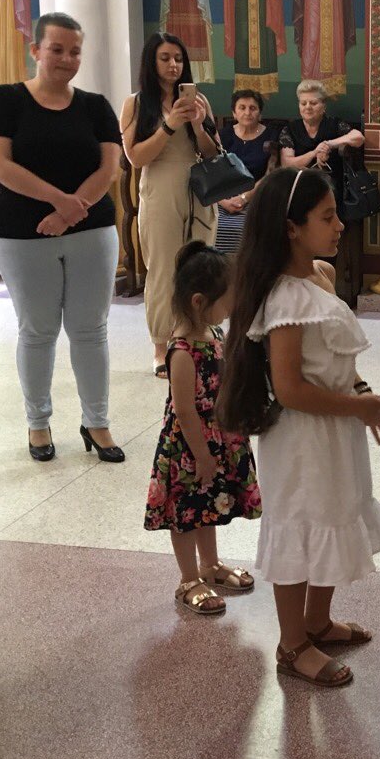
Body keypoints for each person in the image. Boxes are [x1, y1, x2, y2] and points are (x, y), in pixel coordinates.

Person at [220, 167, 380, 688]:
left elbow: (335, 359)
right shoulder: (285, 299)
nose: (340, 225)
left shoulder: (315, 277)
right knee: (300, 527)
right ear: (291, 228)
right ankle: (292, 642)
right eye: (327, 217)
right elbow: (291, 389)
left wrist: (360, 392)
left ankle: (318, 621)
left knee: (332, 515)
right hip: (302, 437)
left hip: (331, 429)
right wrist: (356, 408)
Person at [0, 12, 125, 464]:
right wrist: (60, 202)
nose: (66, 58)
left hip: (92, 230)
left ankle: (96, 421)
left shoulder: (96, 106)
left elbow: (109, 168)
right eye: (57, 49)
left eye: (75, 51)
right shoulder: (4, 100)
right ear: (36, 50)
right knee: (38, 330)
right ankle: (38, 422)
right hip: (23, 234)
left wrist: (70, 212)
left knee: (90, 329)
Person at [146, 241, 261, 615]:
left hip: (217, 436)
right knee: (185, 511)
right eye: (225, 300)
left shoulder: (215, 335)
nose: (230, 307)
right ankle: (188, 578)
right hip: (189, 446)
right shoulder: (182, 351)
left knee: (206, 505)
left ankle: (210, 565)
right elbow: (184, 411)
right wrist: (202, 455)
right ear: (199, 302)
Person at [121, 32, 219, 378]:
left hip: (199, 189)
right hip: (160, 188)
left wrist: (198, 125)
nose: (173, 64)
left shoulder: (198, 99)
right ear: (151, 61)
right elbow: (136, 158)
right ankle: (161, 346)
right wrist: (169, 124)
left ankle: (196, 336)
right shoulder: (136, 104)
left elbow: (213, 153)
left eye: (178, 58)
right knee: (163, 269)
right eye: (165, 58)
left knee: (201, 267)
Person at [279, 80, 366, 308]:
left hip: (332, 194)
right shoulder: (291, 129)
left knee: (328, 239)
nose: (308, 107)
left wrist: (329, 144)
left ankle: (325, 294)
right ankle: (300, 295)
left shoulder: (334, 125)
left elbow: (358, 138)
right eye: (303, 103)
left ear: (323, 105)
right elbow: (288, 163)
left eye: (313, 103)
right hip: (299, 194)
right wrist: (313, 153)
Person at [214, 89, 278, 254]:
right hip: (223, 198)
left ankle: (246, 268)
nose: (247, 112)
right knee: (213, 227)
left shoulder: (270, 136)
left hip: (257, 197)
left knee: (247, 230)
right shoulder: (223, 135)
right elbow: (213, 172)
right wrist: (223, 201)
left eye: (253, 108)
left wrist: (244, 198)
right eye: (242, 108)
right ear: (234, 113)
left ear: (260, 113)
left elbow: (270, 174)